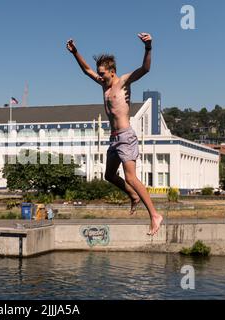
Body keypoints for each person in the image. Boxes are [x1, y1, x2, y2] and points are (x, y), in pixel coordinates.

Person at [66, 33, 163, 236]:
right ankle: (132, 195)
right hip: (114, 139)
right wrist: (75, 52)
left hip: (126, 137)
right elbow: (86, 71)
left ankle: (154, 215)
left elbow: (145, 69)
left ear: (112, 71)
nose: (100, 76)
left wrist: (148, 47)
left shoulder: (124, 82)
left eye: (103, 73)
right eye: (99, 73)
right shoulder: (104, 85)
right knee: (109, 175)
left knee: (131, 177)